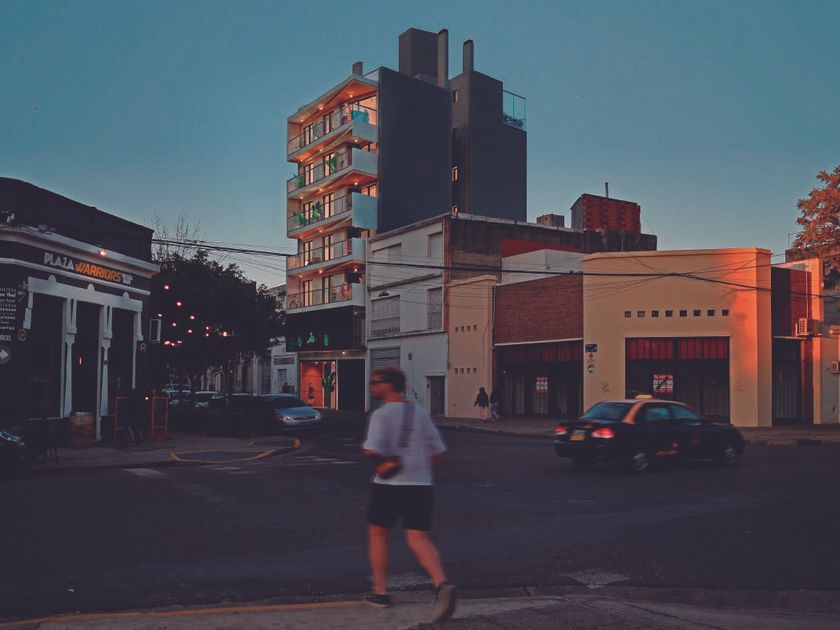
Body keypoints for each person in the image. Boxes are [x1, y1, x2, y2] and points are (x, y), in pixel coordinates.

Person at [361, 367, 456, 622]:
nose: (372, 386)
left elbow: (371, 450)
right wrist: (423, 473)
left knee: (378, 535)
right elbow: (437, 452)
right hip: (421, 485)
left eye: (376, 382)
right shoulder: (420, 413)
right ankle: (441, 583)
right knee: (418, 539)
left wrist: (384, 462)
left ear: (389, 385)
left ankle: (380, 592)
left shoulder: (381, 415)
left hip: (388, 486)